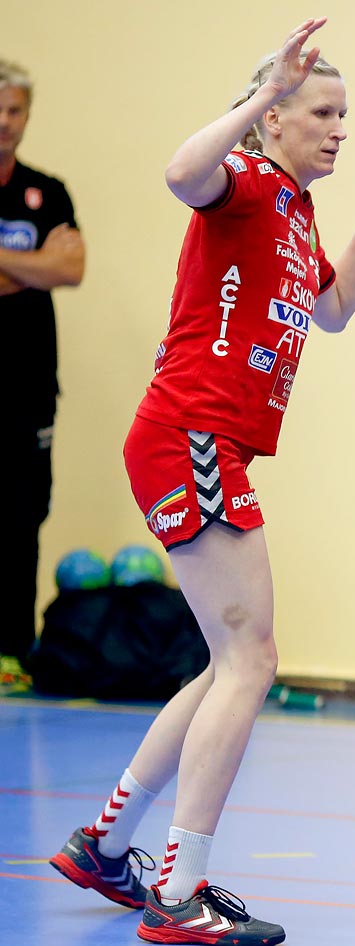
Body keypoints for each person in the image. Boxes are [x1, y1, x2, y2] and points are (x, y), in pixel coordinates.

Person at [48, 19, 355, 946]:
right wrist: (253, 98)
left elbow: (330, 311)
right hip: (193, 434)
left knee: (228, 661)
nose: (339, 128)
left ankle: (107, 845)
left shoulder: (294, 207)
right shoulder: (244, 180)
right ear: (274, 119)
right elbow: (180, 172)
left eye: (345, 114)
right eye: (323, 112)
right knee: (253, 660)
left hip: (208, 444)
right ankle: (178, 891)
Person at [0, 58, 85, 678]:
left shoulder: (47, 190)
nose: (5, 123)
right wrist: (36, 263)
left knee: (24, 511)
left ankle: (14, 651)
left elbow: (72, 270)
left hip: (29, 385)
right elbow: (49, 266)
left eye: (15, 110)